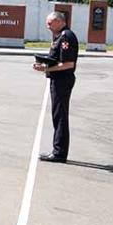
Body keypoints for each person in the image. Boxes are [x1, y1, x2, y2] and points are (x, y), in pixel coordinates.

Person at [33, 11, 79, 163]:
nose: (47, 26)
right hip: (59, 80)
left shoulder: (66, 36)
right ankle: (58, 150)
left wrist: (46, 69)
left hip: (62, 81)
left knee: (60, 116)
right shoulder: (60, 36)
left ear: (59, 21)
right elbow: (57, 59)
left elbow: (68, 63)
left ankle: (59, 153)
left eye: (50, 23)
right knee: (58, 115)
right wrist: (45, 62)